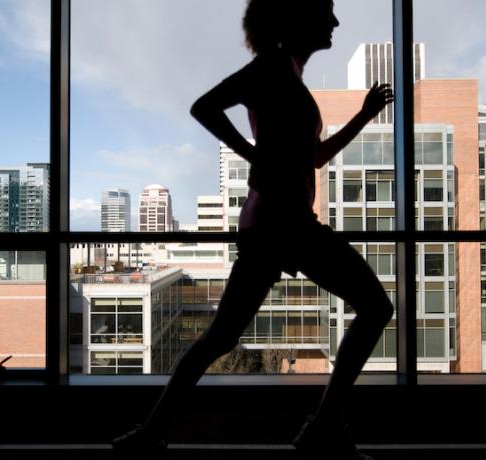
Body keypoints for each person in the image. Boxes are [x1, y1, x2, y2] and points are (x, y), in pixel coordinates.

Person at [112, 0, 394, 458]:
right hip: (282, 224)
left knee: (219, 338)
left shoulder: (288, 73)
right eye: (326, 11)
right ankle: (320, 430)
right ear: (298, 18)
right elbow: (203, 107)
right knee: (375, 307)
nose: (335, 21)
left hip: (278, 224)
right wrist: (253, 155)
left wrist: (362, 117)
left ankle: (151, 434)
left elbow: (314, 158)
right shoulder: (269, 69)